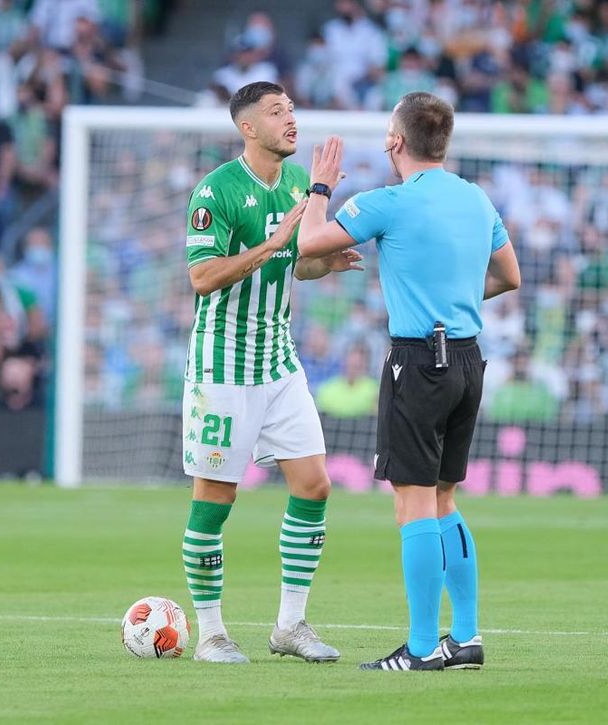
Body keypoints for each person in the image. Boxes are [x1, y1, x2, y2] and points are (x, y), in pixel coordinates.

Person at [297, 91, 521, 671]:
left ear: (395, 142)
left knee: (413, 501)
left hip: (419, 360)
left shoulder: (387, 202)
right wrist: (455, 299)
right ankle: (465, 637)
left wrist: (320, 186)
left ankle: (422, 647)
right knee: (445, 496)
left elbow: (308, 244)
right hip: (470, 360)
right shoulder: (476, 199)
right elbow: (509, 276)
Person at [180, 81, 363, 664]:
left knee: (314, 485)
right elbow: (203, 278)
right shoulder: (217, 190)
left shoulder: (296, 186)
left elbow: (293, 266)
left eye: (292, 109)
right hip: (223, 364)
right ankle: (210, 632)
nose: (290, 119)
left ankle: (290, 625)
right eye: (276, 112)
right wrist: (277, 240)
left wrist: (319, 264)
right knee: (215, 498)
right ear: (247, 128)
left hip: (279, 360)